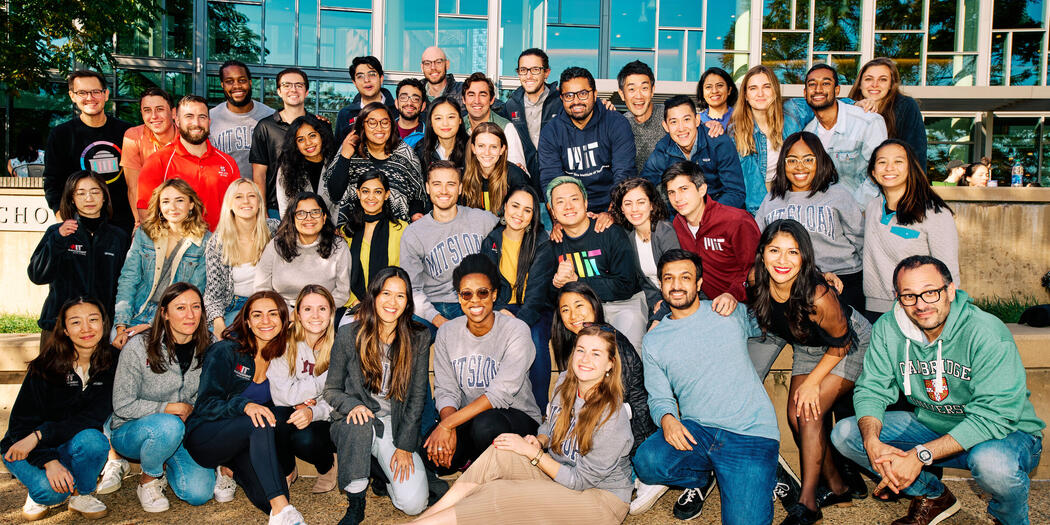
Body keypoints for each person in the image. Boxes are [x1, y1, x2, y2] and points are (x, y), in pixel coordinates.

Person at [831, 255, 1045, 525]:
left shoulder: (986, 332)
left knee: (993, 466)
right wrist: (872, 442)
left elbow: (994, 416)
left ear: (950, 290)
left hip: (1007, 432)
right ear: (897, 297)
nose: (921, 305)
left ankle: (1009, 518)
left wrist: (920, 455)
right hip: (934, 425)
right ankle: (933, 495)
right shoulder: (888, 328)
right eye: (909, 296)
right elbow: (872, 388)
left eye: (930, 293)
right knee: (847, 435)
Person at [412, 324, 633, 525]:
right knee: (502, 450)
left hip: (599, 499)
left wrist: (533, 454)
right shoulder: (566, 382)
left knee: (502, 493)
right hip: (561, 476)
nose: (585, 359)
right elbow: (550, 426)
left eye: (596, 354)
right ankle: (428, 517)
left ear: (610, 364)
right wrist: (539, 440)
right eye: (581, 350)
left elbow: (580, 480)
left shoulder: (612, 415)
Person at [633, 249, 780, 523]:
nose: (677, 285)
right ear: (661, 285)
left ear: (699, 284)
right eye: (669, 278)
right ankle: (702, 477)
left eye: (685, 277)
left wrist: (735, 296)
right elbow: (658, 396)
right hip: (698, 431)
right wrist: (667, 419)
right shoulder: (654, 340)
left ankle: (763, 473)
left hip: (749, 434)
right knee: (647, 461)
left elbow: (773, 304)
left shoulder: (726, 312)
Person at [745, 220, 871, 524]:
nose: (782, 260)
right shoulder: (755, 280)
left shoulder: (817, 296)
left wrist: (814, 382)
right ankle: (839, 487)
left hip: (849, 343)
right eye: (774, 250)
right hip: (806, 342)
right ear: (762, 253)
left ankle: (808, 503)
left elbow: (841, 343)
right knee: (795, 416)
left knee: (808, 413)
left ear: (804, 258)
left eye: (793, 252)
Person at [184, 291, 307, 524]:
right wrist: (245, 405)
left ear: (284, 320)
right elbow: (206, 403)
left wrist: (302, 401)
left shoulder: (283, 357)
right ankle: (283, 511)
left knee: (268, 496)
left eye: (273, 314)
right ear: (247, 322)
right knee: (258, 419)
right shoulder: (225, 351)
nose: (266, 321)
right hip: (207, 435)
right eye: (257, 315)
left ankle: (232, 470)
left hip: (247, 441)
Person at [325, 267, 432, 524]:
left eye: (400, 296)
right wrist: (352, 405)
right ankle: (356, 502)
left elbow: (417, 398)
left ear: (408, 302)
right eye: (386, 293)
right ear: (373, 296)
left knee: (413, 504)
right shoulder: (349, 334)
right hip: (355, 423)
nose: (392, 302)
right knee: (359, 424)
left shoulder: (418, 337)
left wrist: (405, 446)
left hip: (392, 424)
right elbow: (331, 390)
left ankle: (380, 473)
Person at [425, 254, 542, 474]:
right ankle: (474, 461)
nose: (475, 300)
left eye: (483, 292)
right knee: (431, 454)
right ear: (459, 298)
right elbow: (446, 390)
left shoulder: (516, 331)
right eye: (466, 294)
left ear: (494, 294)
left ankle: (490, 472)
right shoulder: (448, 332)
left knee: (486, 426)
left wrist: (448, 425)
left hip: (516, 416)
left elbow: (499, 396)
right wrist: (447, 427)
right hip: (468, 418)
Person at [2, 298, 117, 521]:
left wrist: (41, 435)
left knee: (94, 441)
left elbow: (90, 417)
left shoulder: (113, 362)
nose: (86, 328)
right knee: (51, 493)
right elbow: (20, 424)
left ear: (104, 324)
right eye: (76, 322)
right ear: (64, 330)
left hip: (64, 441)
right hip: (24, 445)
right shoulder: (46, 366)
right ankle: (39, 489)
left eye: (93, 320)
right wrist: (48, 460)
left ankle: (82, 494)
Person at [110, 283, 215, 512]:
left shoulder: (210, 346)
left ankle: (163, 460)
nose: (190, 315)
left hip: (181, 431)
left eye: (196, 307)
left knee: (199, 493)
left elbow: (212, 394)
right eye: (180, 308)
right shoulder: (139, 346)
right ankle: (148, 480)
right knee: (169, 425)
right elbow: (122, 404)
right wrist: (170, 407)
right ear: (165, 314)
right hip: (132, 430)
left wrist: (192, 410)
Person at [755, 132, 865, 313]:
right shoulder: (772, 199)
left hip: (843, 279)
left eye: (808, 160)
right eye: (792, 160)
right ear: (783, 164)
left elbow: (859, 238)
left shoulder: (838, 194)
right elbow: (759, 241)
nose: (800, 167)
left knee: (844, 334)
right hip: (792, 282)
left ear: (819, 161)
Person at [549, 283, 655, 456]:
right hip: (593, 430)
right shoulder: (578, 341)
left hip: (631, 434)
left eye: (579, 305)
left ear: (594, 305)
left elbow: (628, 402)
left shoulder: (611, 341)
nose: (573, 315)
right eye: (565, 310)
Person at [546, 177, 647, 351]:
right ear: (553, 212)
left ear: (586, 203)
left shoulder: (610, 232)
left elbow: (625, 285)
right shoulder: (554, 242)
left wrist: (577, 282)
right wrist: (557, 284)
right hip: (581, 310)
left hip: (622, 305)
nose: (568, 206)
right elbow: (547, 293)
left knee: (624, 355)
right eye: (560, 202)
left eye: (574, 199)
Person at [28, 171, 129, 344]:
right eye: (80, 193)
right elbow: (38, 275)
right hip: (59, 329)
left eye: (95, 192)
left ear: (105, 197)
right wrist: (58, 240)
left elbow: (127, 284)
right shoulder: (57, 233)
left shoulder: (119, 237)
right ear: (71, 199)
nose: (88, 198)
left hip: (100, 331)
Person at [863, 139, 959, 319]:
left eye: (898, 162)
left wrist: (949, 314)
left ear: (911, 168)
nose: (889, 168)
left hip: (920, 308)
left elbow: (949, 269)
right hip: (875, 308)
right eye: (882, 162)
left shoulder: (935, 213)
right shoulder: (872, 208)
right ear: (873, 172)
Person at [399, 161, 498, 330]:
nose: (444, 191)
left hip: (475, 300)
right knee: (412, 339)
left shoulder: (482, 220)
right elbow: (413, 289)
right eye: (437, 184)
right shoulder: (413, 233)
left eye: (450, 184)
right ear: (428, 187)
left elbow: (515, 229)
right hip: (434, 304)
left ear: (460, 188)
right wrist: (437, 319)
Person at [481, 186, 554, 410]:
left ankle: (540, 408)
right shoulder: (491, 241)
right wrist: (500, 309)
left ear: (533, 216)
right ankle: (496, 405)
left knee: (534, 337)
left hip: (535, 309)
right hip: (501, 307)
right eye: (515, 206)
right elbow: (487, 283)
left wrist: (517, 323)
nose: (519, 214)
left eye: (527, 210)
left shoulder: (542, 243)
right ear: (504, 206)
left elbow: (537, 293)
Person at [114, 178, 210, 348]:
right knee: (117, 341)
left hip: (175, 316)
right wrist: (121, 325)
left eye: (179, 200)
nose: (172, 207)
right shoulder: (145, 234)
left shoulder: (205, 241)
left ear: (191, 204)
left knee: (149, 345)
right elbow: (128, 279)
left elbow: (194, 290)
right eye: (166, 201)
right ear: (159, 206)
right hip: (138, 309)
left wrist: (152, 325)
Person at [267, 285, 339, 494]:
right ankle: (287, 470)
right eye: (307, 309)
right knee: (274, 417)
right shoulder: (284, 342)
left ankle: (327, 466)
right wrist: (322, 383)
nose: (315, 315)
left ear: (331, 313)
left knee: (305, 439)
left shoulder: (340, 344)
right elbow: (282, 396)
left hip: (327, 416)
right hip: (291, 408)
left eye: (322, 309)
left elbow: (342, 395)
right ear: (297, 314)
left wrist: (313, 409)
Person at [43, 70, 135, 233]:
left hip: (124, 227)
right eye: (82, 93)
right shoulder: (61, 135)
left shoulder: (128, 132)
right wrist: (61, 216)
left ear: (106, 94)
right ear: (72, 96)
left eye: (95, 92)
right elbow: (52, 181)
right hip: (79, 226)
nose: (89, 98)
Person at [539, 67, 636, 214]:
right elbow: (551, 181)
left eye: (583, 94)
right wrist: (561, 219)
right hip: (572, 210)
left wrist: (611, 214)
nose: (576, 101)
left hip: (613, 205)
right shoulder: (551, 131)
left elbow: (624, 174)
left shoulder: (616, 123)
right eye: (569, 95)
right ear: (561, 98)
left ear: (595, 94)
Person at [136, 94, 241, 230]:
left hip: (219, 246)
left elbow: (237, 208)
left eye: (202, 117)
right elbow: (146, 212)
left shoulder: (228, 163)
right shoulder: (158, 161)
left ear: (209, 122)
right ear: (178, 121)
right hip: (175, 248)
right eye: (189, 117)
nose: (196, 123)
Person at [664, 161, 759, 304]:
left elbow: (756, 270)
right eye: (672, 192)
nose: (677, 199)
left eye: (684, 189)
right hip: (705, 304)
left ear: (702, 189)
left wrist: (732, 294)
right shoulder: (678, 224)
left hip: (744, 303)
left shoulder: (736, 221)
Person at [324, 102, 426, 226]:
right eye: (372, 123)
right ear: (362, 125)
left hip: (396, 233)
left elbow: (418, 196)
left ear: (392, 125)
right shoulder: (349, 150)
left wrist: (416, 213)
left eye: (384, 122)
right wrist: (345, 156)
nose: (379, 128)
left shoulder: (406, 153)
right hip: (353, 232)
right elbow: (334, 194)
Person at [802, 64, 887, 204]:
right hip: (826, 214)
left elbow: (879, 171)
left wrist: (855, 209)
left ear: (837, 90)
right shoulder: (808, 133)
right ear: (805, 93)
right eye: (812, 84)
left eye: (825, 83)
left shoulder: (868, 122)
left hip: (864, 212)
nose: (818, 89)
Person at [641, 95, 746, 209]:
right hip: (680, 213)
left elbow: (735, 192)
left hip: (718, 211)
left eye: (686, 119)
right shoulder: (664, 148)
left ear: (697, 120)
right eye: (674, 122)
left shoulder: (719, 143)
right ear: (666, 126)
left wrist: (706, 215)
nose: (681, 128)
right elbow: (645, 184)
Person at [205, 179, 279, 335]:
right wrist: (218, 323)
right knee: (225, 346)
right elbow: (213, 295)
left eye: (251, 196)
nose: (246, 201)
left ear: (259, 202)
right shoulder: (218, 243)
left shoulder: (274, 230)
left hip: (270, 303)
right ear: (229, 204)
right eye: (238, 196)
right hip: (234, 306)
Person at [731, 65, 807, 213]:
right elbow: (747, 183)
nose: (760, 93)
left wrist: (856, 103)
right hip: (756, 208)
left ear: (775, 91)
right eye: (753, 88)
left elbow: (824, 102)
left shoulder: (793, 113)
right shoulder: (735, 132)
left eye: (766, 86)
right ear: (745, 95)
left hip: (792, 200)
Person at [255, 192, 351, 309]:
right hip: (283, 312)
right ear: (293, 219)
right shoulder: (277, 244)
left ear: (324, 217)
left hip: (322, 313)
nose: (308, 218)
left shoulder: (339, 246)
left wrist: (315, 312)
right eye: (301, 213)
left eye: (315, 212)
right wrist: (287, 314)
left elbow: (342, 293)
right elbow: (261, 288)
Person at [250, 68, 316, 217]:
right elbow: (259, 175)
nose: (293, 89)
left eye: (299, 85)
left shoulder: (319, 126)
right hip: (275, 209)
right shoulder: (265, 127)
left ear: (306, 92)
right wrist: (263, 212)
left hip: (313, 208)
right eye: (287, 85)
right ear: (279, 91)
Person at [609, 177, 679, 314]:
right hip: (656, 303)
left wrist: (663, 307)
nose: (634, 209)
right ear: (622, 209)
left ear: (651, 205)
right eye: (628, 204)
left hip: (677, 299)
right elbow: (647, 285)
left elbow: (676, 277)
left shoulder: (664, 232)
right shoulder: (629, 238)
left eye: (641, 202)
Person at [341, 171, 409, 309]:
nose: (371, 197)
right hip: (355, 305)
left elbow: (407, 273)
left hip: (392, 305)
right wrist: (355, 303)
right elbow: (342, 276)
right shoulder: (346, 231)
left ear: (387, 195)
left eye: (378, 192)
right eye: (365, 191)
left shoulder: (402, 229)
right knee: (347, 330)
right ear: (358, 193)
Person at [848, 58, 927, 171]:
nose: (875, 85)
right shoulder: (847, 109)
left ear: (891, 84)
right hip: (851, 183)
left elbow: (916, 152)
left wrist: (916, 186)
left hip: (892, 180)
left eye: (883, 79)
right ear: (860, 84)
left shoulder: (906, 106)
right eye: (868, 79)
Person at [505, 48, 562, 196]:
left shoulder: (561, 102)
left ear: (546, 73)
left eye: (535, 69)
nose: (529, 76)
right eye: (523, 70)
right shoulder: (511, 105)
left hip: (557, 186)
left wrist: (603, 105)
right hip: (524, 188)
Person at [210, 60, 276, 181]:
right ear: (222, 85)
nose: (237, 86)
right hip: (224, 195)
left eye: (242, 80)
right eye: (229, 81)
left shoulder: (270, 116)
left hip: (261, 194)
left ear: (250, 82)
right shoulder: (211, 118)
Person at [122, 88, 178, 222]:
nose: (154, 116)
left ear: (174, 112)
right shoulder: (133, 136)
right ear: (141, 113)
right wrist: (139, 224)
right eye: (147, 110)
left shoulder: (187, 138)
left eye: (160, 109)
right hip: (148, 213)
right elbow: (133, 187)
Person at [460, 72, 527, 173]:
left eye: (482, 95)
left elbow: (518, 171)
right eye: (471, 94)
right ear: (463, 100)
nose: (476, 101)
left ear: (492, 100)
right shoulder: (458, 126)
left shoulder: (506, 128)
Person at [275, 114, 338, 217]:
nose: (308, 143)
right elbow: (284, 208)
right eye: (301, 139)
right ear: (295, 144)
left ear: (322, 136)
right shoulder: (287, 168)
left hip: (334, 229)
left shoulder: (336, 163)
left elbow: (341, 203)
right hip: (300, 229)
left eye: (312, 135)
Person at [461, 122, 530, 212]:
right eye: (481, 146)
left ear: (502, 149)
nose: (487, 152)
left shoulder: (516, 177)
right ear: (473, 148)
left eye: (493, 147)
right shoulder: (465, 176)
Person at [335, 56, 398, 142]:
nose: (366, 80)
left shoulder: (397, 110)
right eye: (360, 76)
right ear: (354, 82)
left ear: (381, 78)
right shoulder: (345, 114)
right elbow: (339, 149)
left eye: (372, 74)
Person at [617, 61, 664, 174]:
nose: (638, 96)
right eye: (631, 89)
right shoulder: (620, 125)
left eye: (644, 88)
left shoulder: (669, 116)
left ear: (652, 91)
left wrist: (711, 124)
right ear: (622, 94)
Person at [413, 96, 470, 176]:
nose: (445, 123)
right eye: (438, 118)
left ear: (460, 120)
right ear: (431, 123)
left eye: (451, 117)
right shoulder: (421, 151)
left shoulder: (472, 149)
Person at [696, 67, 738, 131]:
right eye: (708, 87)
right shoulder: (696, 121)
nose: (714, 91)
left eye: (720, 85)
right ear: (702, 92)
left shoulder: (741, 117)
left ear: (729, 90)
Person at [395, 78, 428, 147]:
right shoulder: (385, 130)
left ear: (423, 106)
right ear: (396, 103)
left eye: (415, 99)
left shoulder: (429, 136)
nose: (409, 103)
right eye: (403, 98)